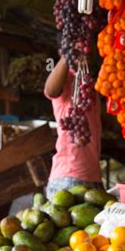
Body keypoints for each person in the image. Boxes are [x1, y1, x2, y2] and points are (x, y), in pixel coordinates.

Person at [44, 55, 103, 198]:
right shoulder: (65, 78)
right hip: (68, 178)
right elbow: (50, 90)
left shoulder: (88, 83)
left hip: (93, 177)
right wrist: (67, 55)